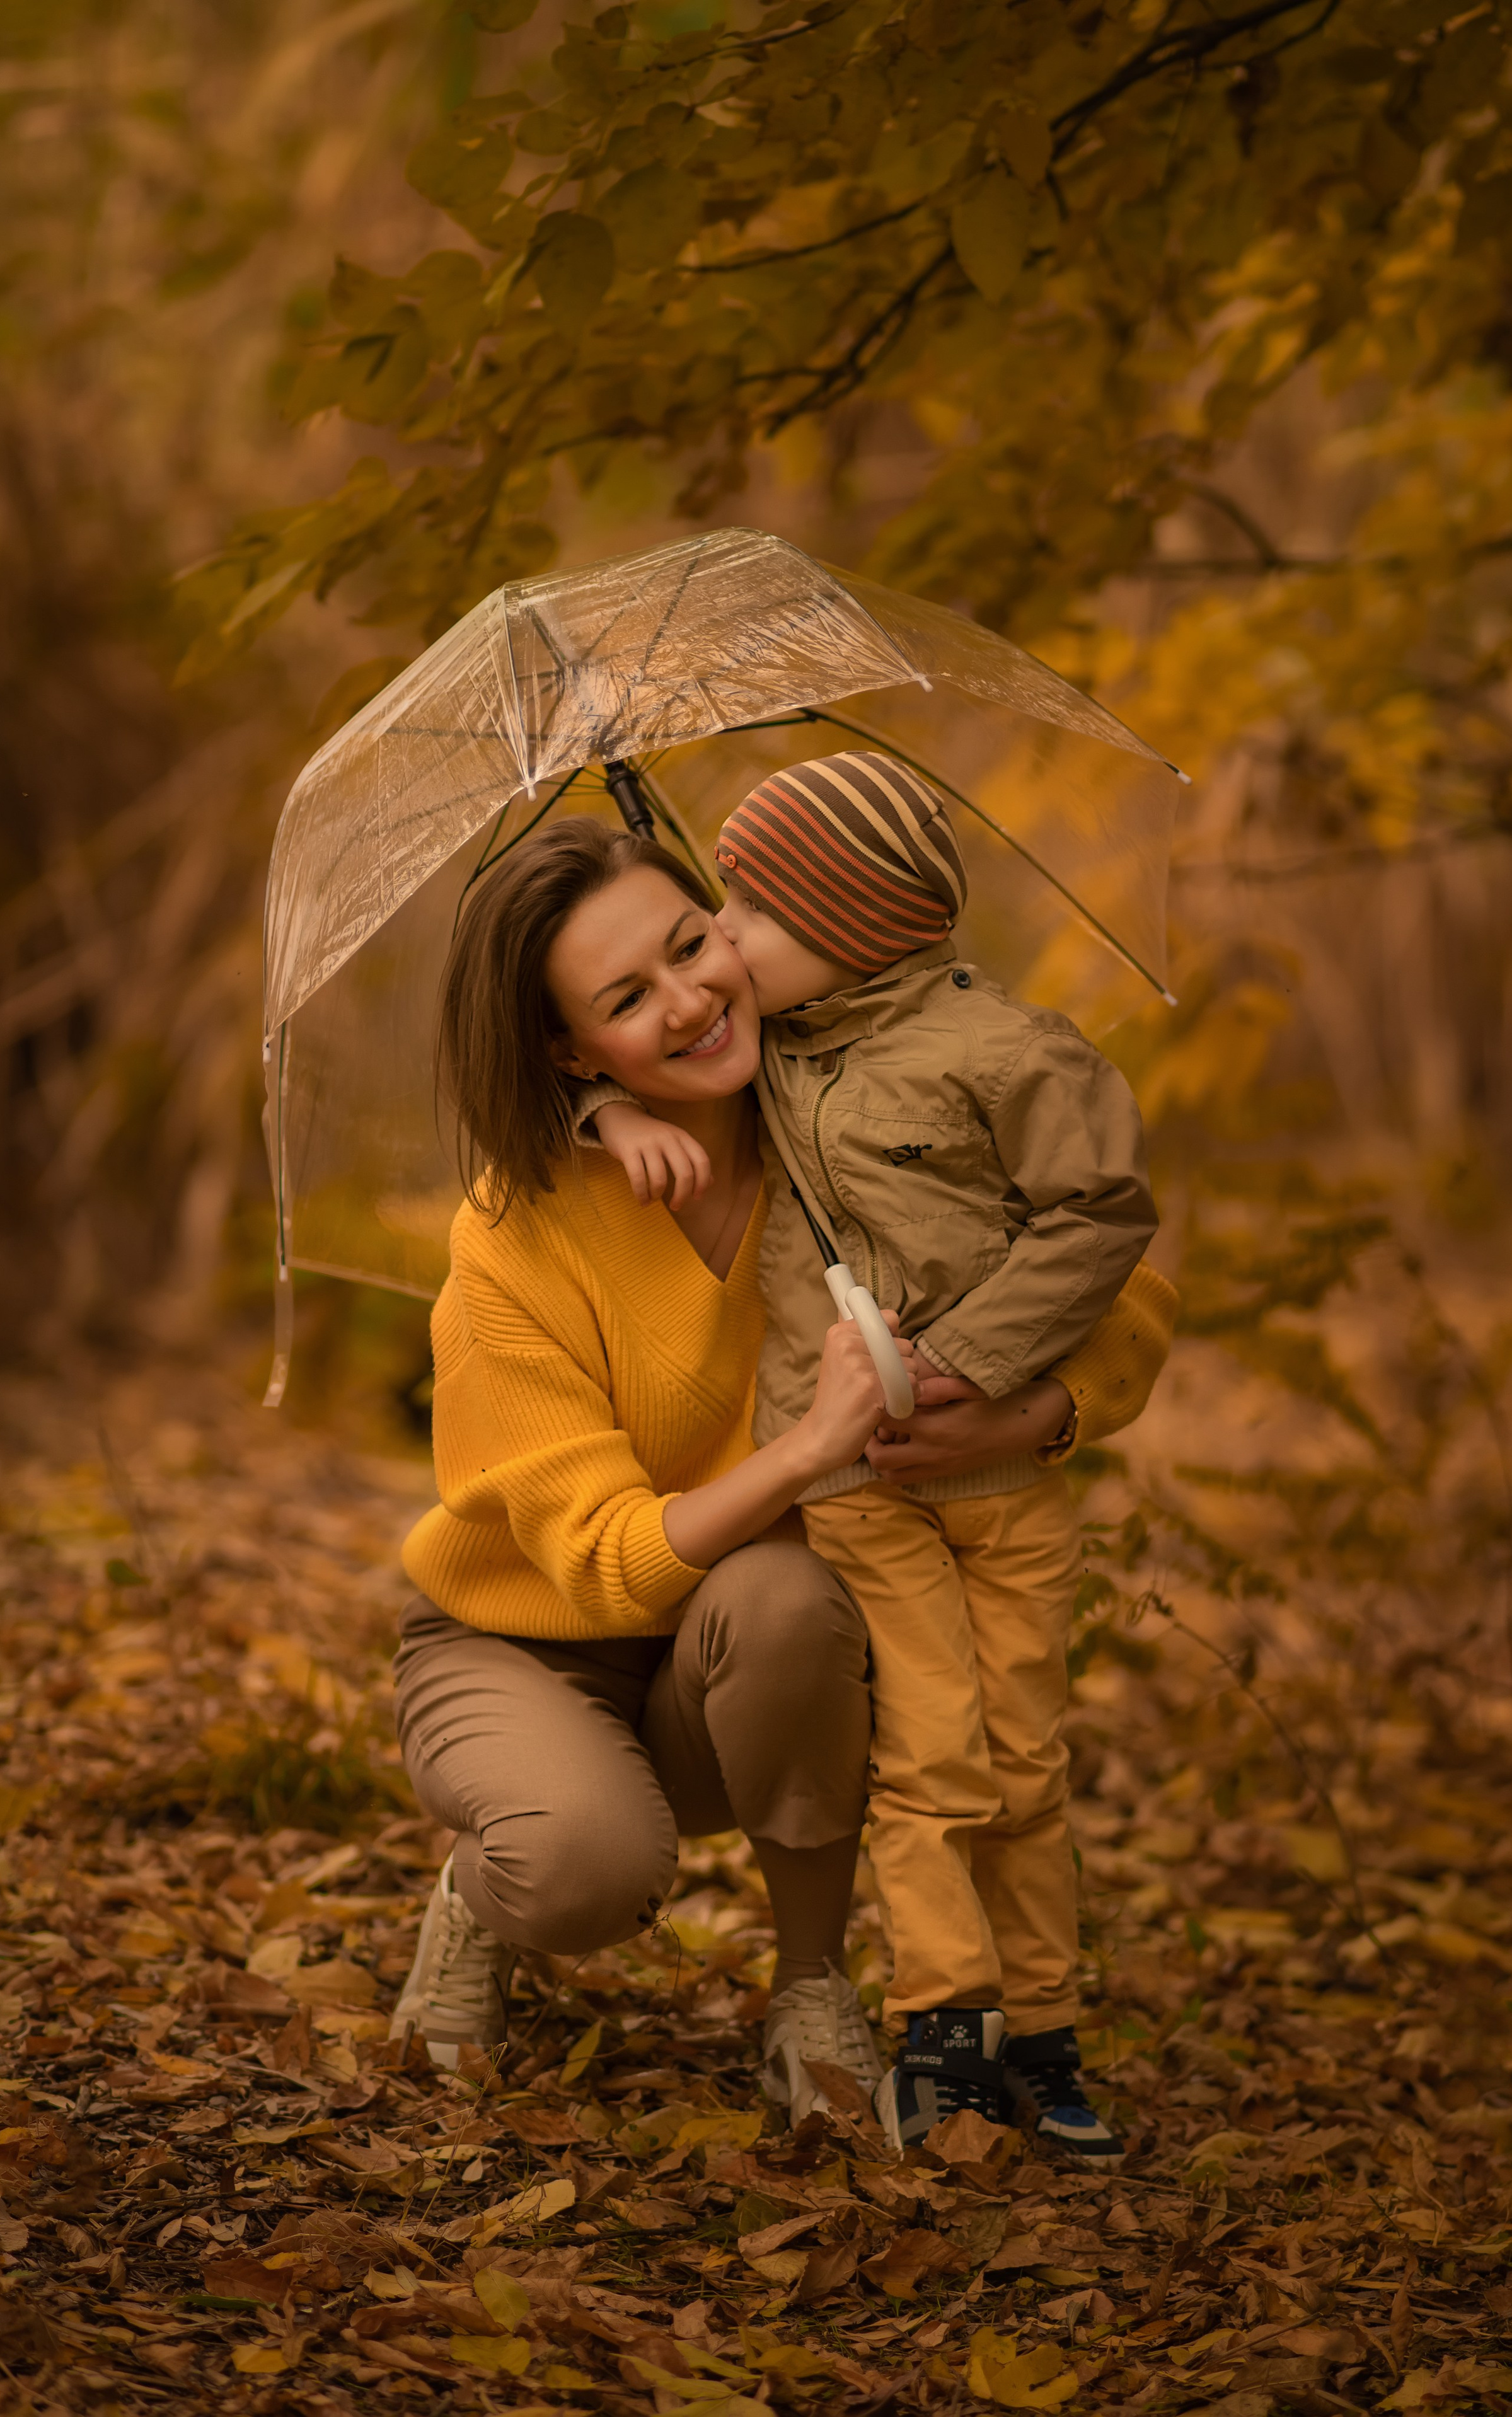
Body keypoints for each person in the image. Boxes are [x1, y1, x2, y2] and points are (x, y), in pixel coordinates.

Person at [386, 814, 1102, 2134]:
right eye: (623, 1000)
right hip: (529, 1637)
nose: (688, 1001)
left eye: (689, 944)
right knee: (582, 1864)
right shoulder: (513, 1233)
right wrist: (810, 1448)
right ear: (568, 1050)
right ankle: (480, 1900)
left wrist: (1043, 1410)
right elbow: (603, 1561)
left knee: (788, 1596)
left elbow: (1109, 1268)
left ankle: (810, 1987)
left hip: (743, 1636)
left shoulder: (851, 1118)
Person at [589, 752, 1175, 2164]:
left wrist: (979, 1363)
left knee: (1024, 1759)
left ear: (854, 927)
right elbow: (579, 1057)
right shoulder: (764, 1058)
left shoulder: (1010, 1055)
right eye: (723, 905)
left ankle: (1043, 2031)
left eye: (751, 913)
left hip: (1005, 1486)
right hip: (862, 1492)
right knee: (930, 1757)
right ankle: (944, 2026)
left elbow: (1103, 1216)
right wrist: (605, 1113)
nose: (724, 944)